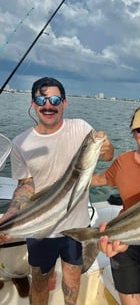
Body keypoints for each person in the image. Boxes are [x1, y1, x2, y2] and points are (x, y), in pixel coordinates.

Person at [0, 77, 114, 305]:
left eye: (54, 99)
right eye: (41, 99)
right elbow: (26, 186)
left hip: (76, 227)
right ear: (33, 103)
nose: (48, 105)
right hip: (40, 226)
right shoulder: (21, 143)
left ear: (64, 102)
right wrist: (11, 216)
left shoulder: (81, 128)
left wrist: (107, 149)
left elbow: (106, 156)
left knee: (72, 279)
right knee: (41, 281)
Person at [91, 103, 140, 305]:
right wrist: (72, 174)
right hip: (125, 238)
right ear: (134, 133)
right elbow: (100, 179)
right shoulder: (123, 160)